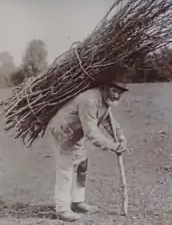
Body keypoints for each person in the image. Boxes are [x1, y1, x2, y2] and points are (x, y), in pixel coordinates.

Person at [48, 76, 129, 222]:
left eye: (119, 92)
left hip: (77, 134)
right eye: (114, 90)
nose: (116, 95)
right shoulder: (89, 100)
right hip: (64, 133)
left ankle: (78, 202)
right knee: (66, 170)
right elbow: (91, 133)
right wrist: (113, 146)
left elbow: (108, 121)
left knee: (82, 166)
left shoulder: (104, 100)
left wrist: (121, 138)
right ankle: (62, 209)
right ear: (104, 87)